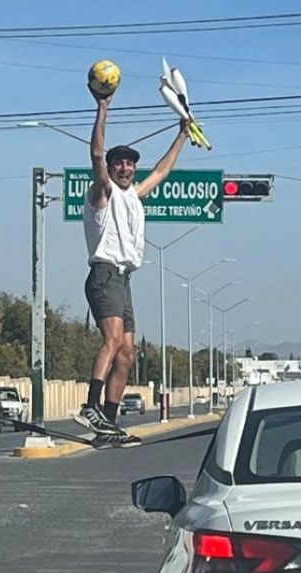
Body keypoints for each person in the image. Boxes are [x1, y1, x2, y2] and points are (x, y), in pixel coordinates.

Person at [73, 83, 190, 445]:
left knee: (127, 352)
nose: (125, 167)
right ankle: (90, 405)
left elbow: (162, 172)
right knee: (111, 340)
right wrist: (102, 108)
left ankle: (107, 422)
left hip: (124, 278)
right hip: (104, 274)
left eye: (129, 163)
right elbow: (95, 154)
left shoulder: (133, 196)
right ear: (110, 169)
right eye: (118, 163)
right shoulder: (102, 193)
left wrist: (182, 134)